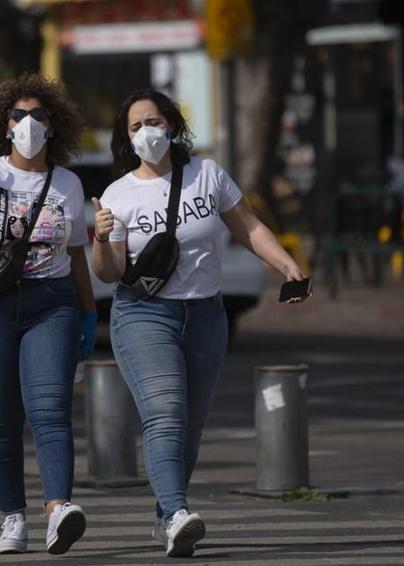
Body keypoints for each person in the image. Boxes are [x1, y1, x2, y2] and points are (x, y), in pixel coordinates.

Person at [91, 89, 309, 558]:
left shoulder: (206, 174)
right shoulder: (118, 194)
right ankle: (175, 512)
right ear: (125, 139)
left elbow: (246, 225)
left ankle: (165, 518)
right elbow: (107, 273)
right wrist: (102, 237)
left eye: (154, 121)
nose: (147, 132)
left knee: (189, 425)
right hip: (144, 314)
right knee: (166, 412)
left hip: (207, 315)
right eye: (135, 127)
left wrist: (286, 264)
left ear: (172, 125)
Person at [0, 73, 97, 556]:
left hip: (51, 303)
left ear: (53, 125)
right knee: (1, 419)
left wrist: (88, 312)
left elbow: (76, 253)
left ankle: (58, 510)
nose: (29, 123)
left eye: (38, 116)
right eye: (19, 116)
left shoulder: (69, 182)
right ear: (5, 124)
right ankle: (12, 518)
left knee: (51, 410)